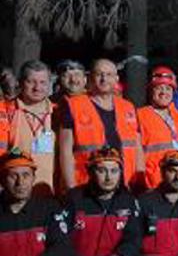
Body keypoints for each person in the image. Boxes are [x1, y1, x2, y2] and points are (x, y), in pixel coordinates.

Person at [59, 59, 145, 191]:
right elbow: (65, 151)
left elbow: (137, 147)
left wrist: (140, 182)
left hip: (125, 185)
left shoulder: (128, 107)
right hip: (86, 185)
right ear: (90, 78)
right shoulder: (73, 105)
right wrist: (71, 187)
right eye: (99, 74)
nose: (104, 79)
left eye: (109, 75)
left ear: (116, 78)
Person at [137, 66, 178, 190]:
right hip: (153, 185)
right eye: (158, 88)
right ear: (151, 90)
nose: (164, 92)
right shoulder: (139, 116)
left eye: (168, 88)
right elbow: (135, 154)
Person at [6, 60, 57, 196]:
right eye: (31, 82)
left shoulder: (59, 112)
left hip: (50, 192)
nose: (37, 88)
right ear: (21, 83)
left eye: (42, 82)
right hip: (14, 192)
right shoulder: (6, 111)